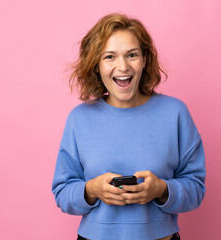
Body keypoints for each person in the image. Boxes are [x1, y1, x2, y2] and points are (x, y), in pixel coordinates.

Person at [52, 13, 206, 240]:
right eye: (110, 57)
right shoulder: (79, 119)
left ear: (144, 59)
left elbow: (196, 188)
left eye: (131, 55)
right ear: (96, 64)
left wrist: (162, 190)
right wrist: (92, 189)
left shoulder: (175, 113)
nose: (122, 66)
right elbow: (62, 192)